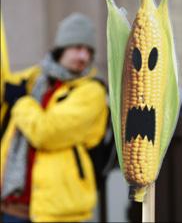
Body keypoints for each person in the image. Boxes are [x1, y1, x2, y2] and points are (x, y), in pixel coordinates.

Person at [0, 13, 109, 222]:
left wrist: (21, 102)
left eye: (88, 51)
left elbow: (46, 132)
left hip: (58, 211)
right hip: (13, 206)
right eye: (77, 48)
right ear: (61, 48)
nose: (83, 57)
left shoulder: (91, 91)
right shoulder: (37, 78)